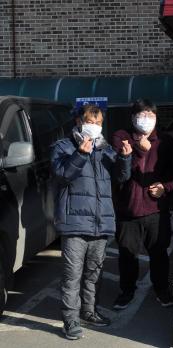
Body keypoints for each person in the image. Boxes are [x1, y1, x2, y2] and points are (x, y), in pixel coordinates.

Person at [51, 104, 132, 340]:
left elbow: (121, 177)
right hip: (74, 223)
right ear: (78, 122)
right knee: (72, 275)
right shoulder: (63, 147)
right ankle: (70, 320)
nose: (94, 126)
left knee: (94, 272)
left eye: (98, 123)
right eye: (89, 121)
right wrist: (80, 154)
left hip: (100, 221)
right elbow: (62, 175)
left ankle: (89, 311)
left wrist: (125, 158)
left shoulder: (105, 149)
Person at [111, 99, 173, 310]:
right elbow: (120, 174)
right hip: (127, 210)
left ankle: (162, 290)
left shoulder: (165, 141)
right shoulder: (121, 137)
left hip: (156, 209)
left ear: (156, 118)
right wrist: (140, 151)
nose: (146, 119)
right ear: (132, 118)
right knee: (127, 254)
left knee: (159, 253)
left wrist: (165, 187)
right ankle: (126, 291)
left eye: (150, 115)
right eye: (141, 114)